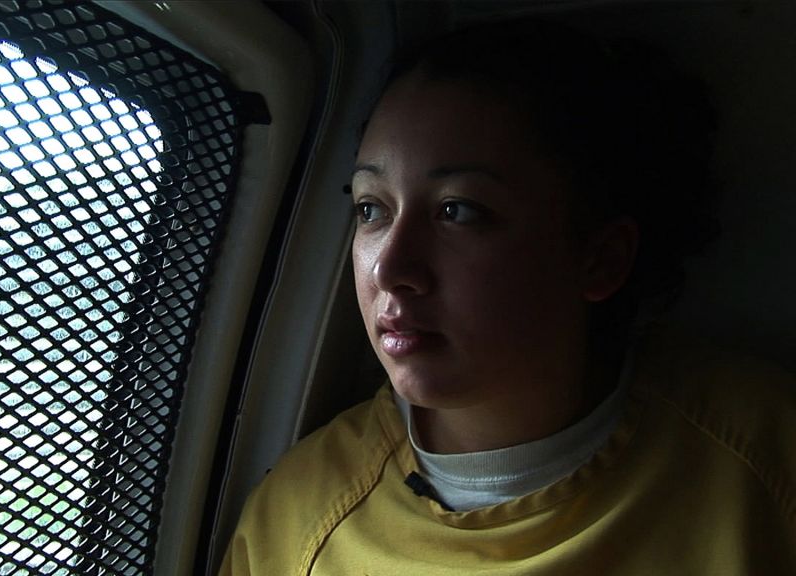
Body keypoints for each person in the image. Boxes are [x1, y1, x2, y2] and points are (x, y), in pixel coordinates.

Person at [219, 19, 796, 575]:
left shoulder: (760, 459)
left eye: (458, 211)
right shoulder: (295, 518)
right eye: (372, 208)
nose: (392, 269)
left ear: (600, 259)